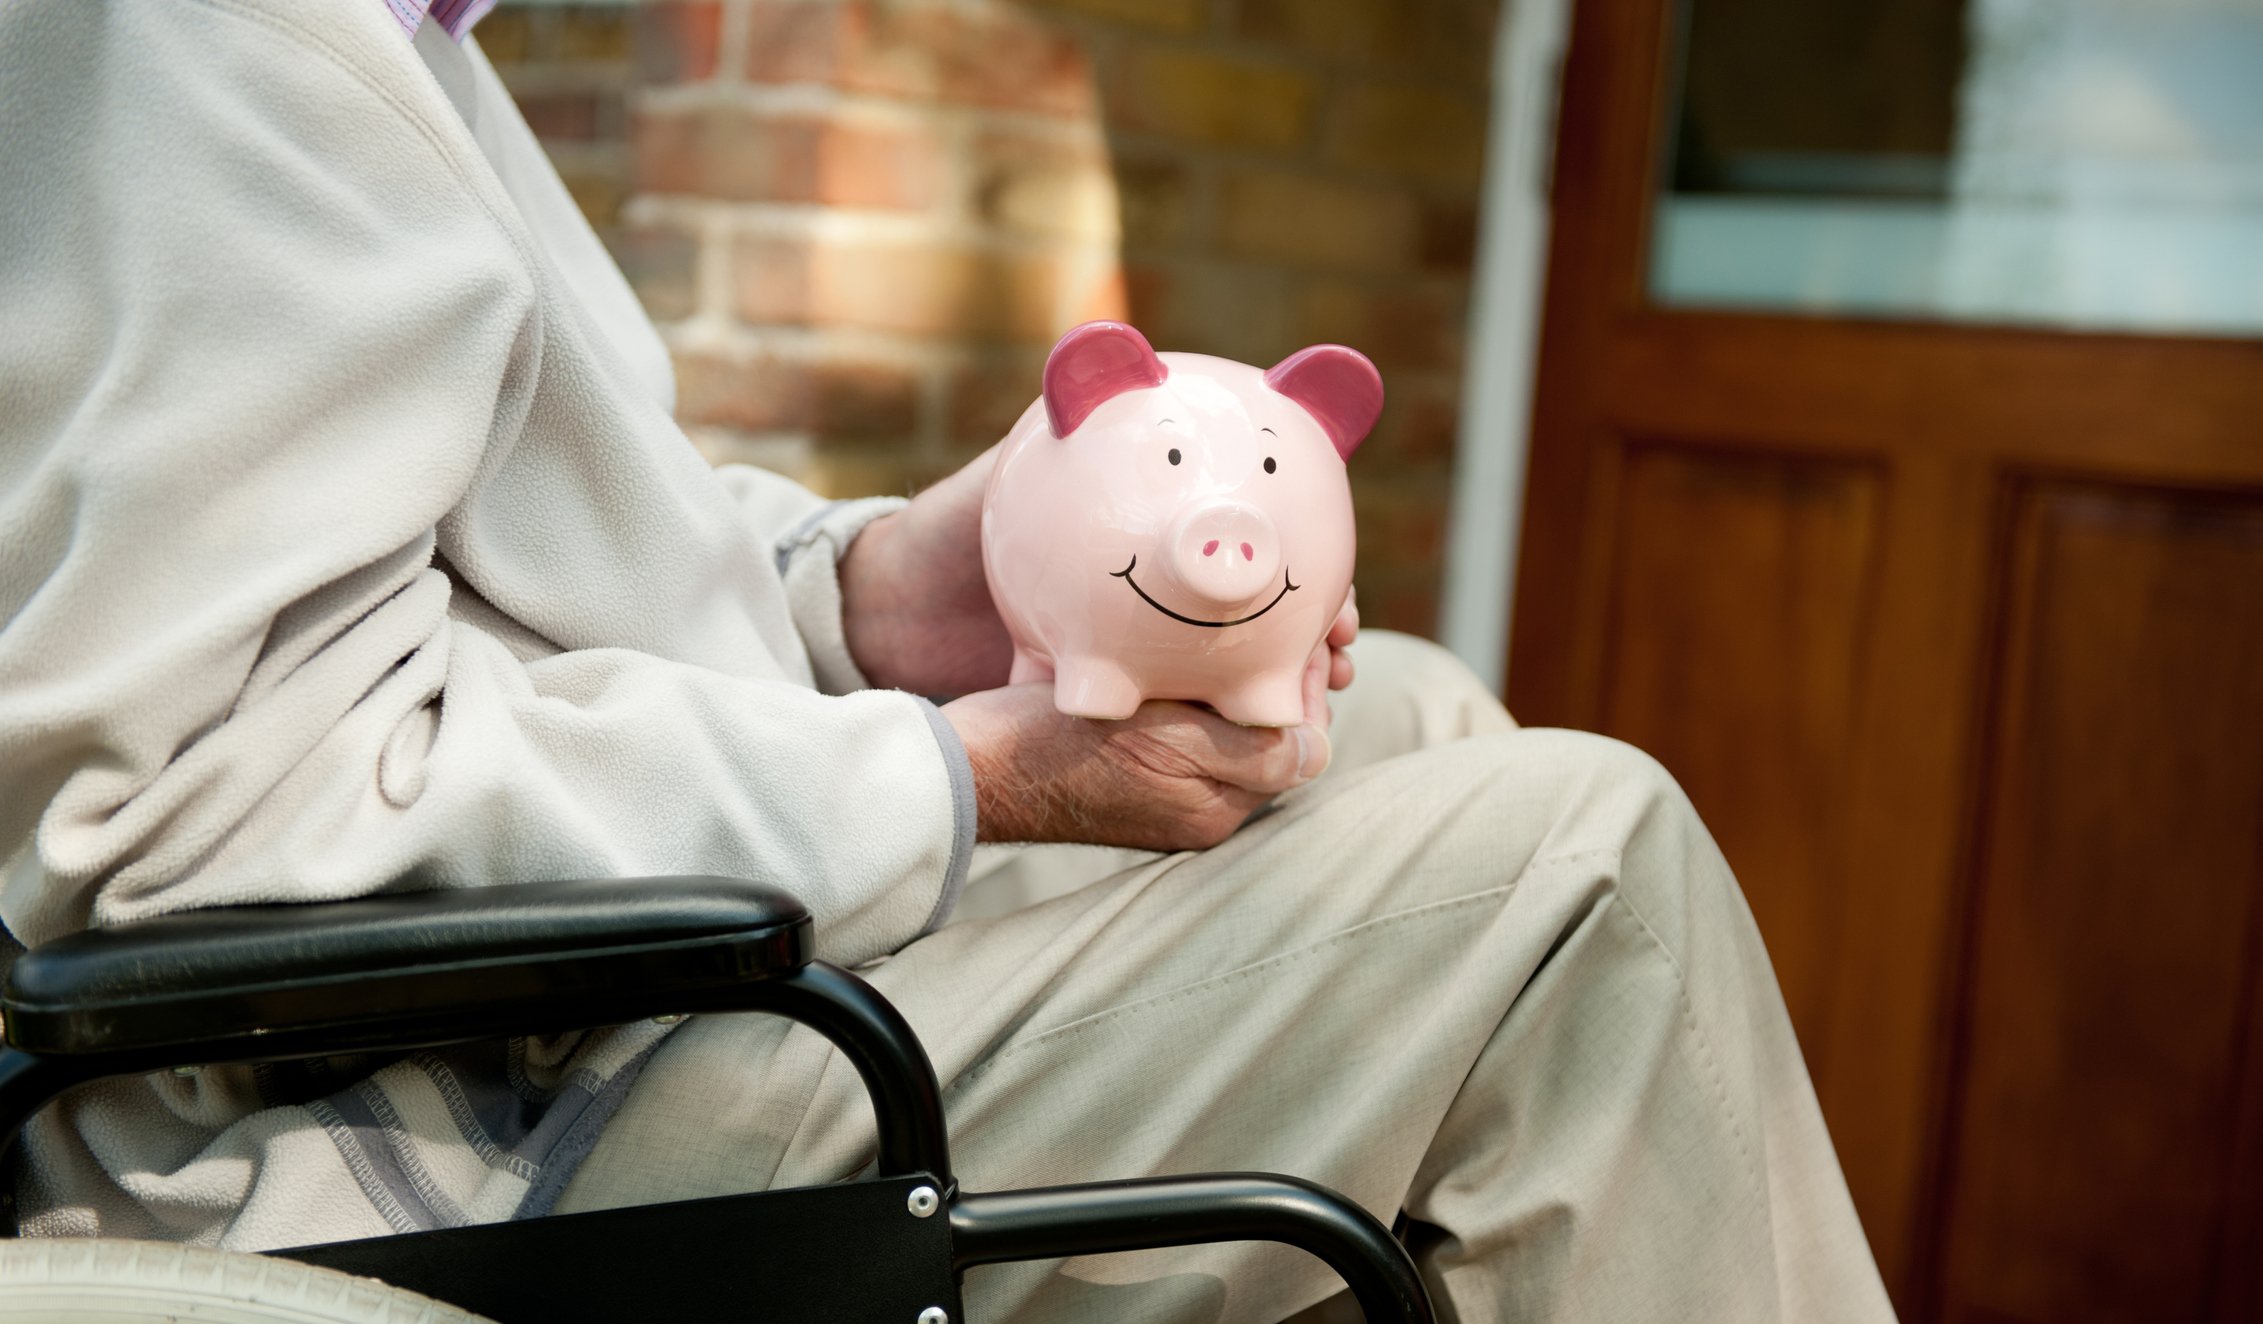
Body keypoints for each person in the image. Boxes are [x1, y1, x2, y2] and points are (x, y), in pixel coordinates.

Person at [0, 1, 1896, 1319]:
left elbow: (477, 559)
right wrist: (967, 774)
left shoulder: (391, 47)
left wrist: (880, 590)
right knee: (1580, 873)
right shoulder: (213, 52)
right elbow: (190, 807)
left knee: (1389, 709)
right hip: (454, 1145)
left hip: (587, 1027)